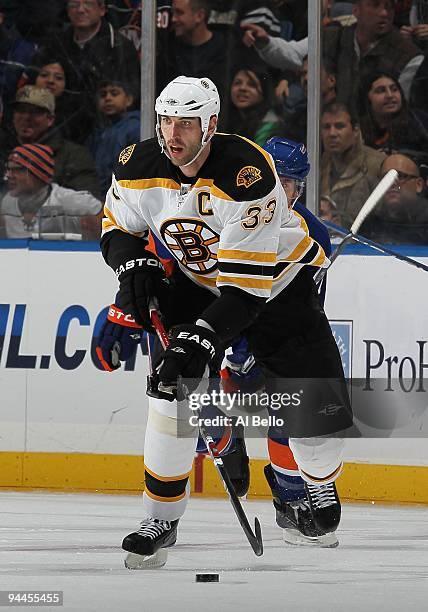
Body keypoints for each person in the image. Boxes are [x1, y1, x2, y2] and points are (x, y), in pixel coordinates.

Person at [98, 76, 352, 568]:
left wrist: (202, 338)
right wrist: (131, 269)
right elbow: (118, 227)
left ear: (211, 125)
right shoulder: (136, 165)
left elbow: (243, 291)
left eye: (186, 124)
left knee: (315, 420)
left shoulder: (247, 174)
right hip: (199, 283)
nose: (173, 134)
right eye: (166, 121)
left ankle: (318, 482)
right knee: (170, 394)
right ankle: (160, 519)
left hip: (276, 287)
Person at [45, 0, 140, 143]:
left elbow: (131, 97)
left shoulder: (119, 47)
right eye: (74, 5)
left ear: (102, 9)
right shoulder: (56, 44)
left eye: (88, 4)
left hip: (106, 131)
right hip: (62, 127)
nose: (81, 10)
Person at [0, 85, 101, 199]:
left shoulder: (73, 155)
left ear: (50, 119)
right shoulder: (4, 152)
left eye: (35, 112)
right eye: (21, 110)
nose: (26, 117)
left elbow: (90, 204)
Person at [323, 0, 424, 110]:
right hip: (331, 123)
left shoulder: (409, 56)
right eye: (375, 5)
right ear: (356, 10)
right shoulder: (331, 39)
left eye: (389, 7)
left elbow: (403, 114)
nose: (384, 13)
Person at [0, 143, 102, 239]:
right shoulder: (7, 202)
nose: (8, 176)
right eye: (8, 170)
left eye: (18, 170)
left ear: (39, 174)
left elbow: (108, 216)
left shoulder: (68, 199)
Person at [320, 101, 386, 229]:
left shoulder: (377, 164)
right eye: (327, 127)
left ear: (355, 131)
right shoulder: (318, 164)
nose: (332, 133)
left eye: (339, 126)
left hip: (366, 244)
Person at [86, 79, 140, 197]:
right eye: (103, 95)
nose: (108, 98)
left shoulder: (135, 127)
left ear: (128, 100)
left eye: (114, 93)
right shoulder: (97, 133)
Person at [359, 152, 428, 243]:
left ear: (418, 185)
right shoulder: (370, 225)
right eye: (385, 178)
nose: (391, 183)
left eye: (400, 176)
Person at [358, 70, 428, 153]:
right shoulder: (358, 131)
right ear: (367, 98)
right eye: (381, 91)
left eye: (394, 89)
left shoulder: (420, 120)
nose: (390, 95)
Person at [224, 65, 282, 146]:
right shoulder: (226, 120)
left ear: (264, 92)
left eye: (251, 84)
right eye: (237, 83)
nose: (242, 88)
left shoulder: (270, 124)